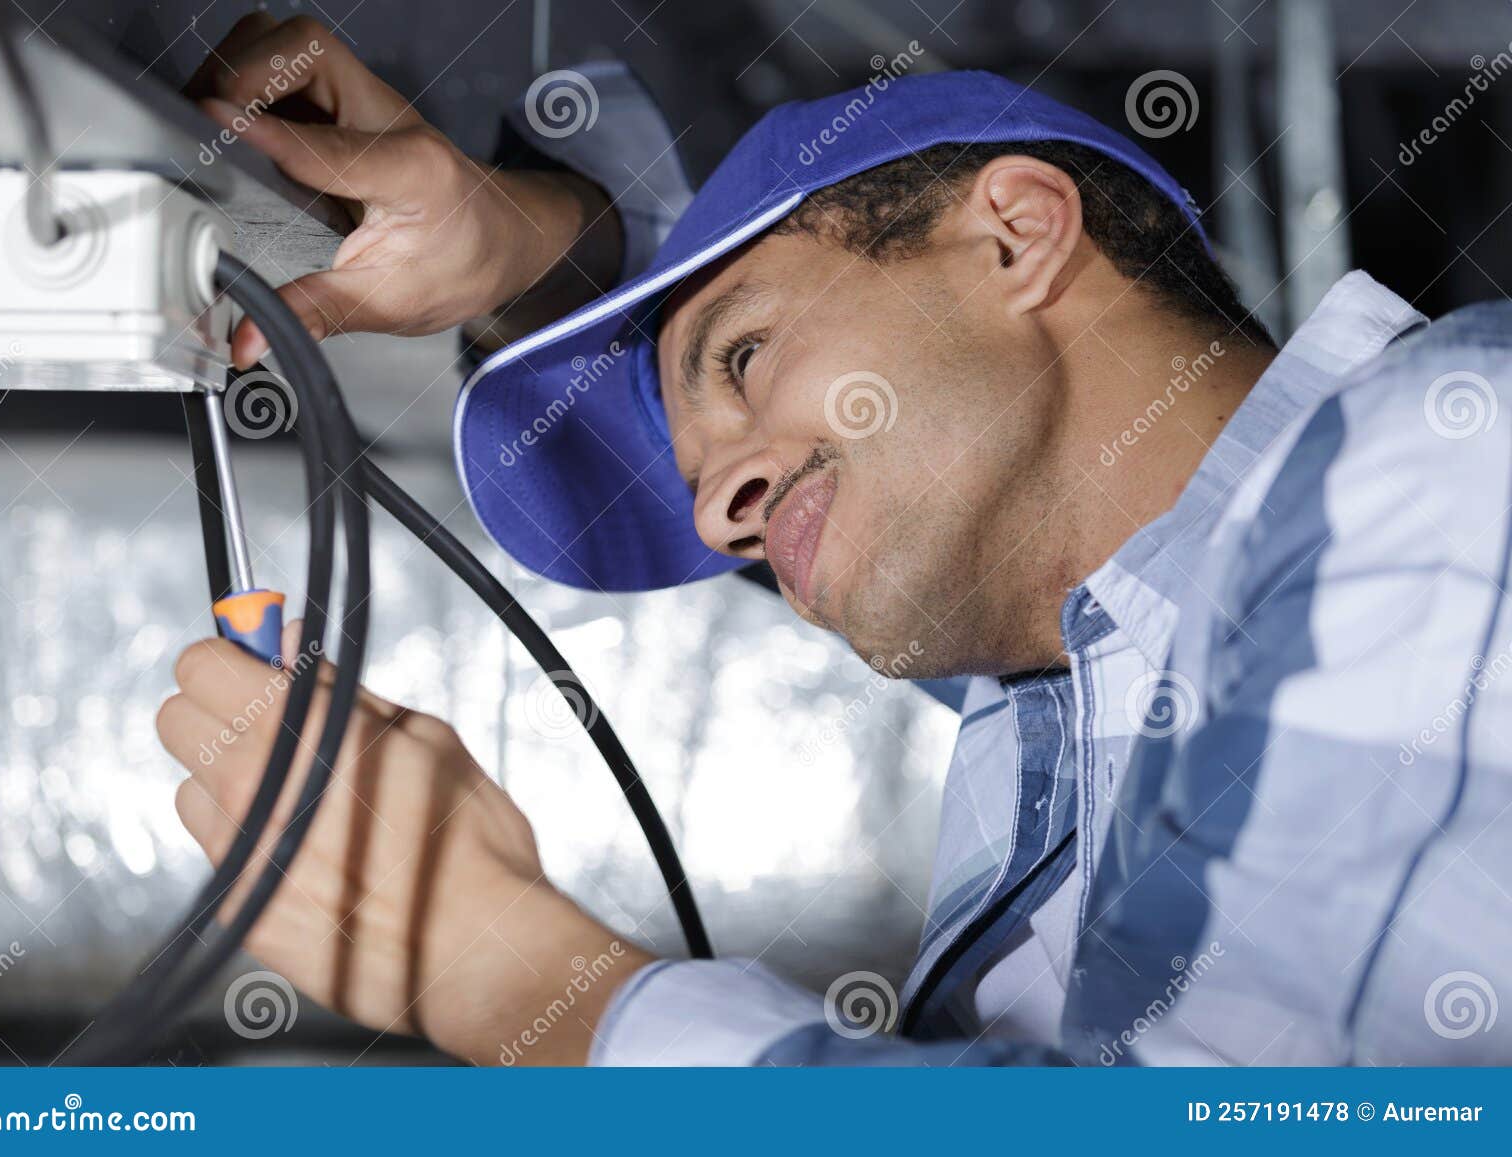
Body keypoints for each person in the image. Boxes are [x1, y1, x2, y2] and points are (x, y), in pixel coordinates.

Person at [159, 14, 1512, 1066]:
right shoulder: (1107, 669)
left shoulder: (1446, 450)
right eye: (699, 476)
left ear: (1016, 236)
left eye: (743, 355)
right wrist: (531, 246)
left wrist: (511, 976)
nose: (711, 514)